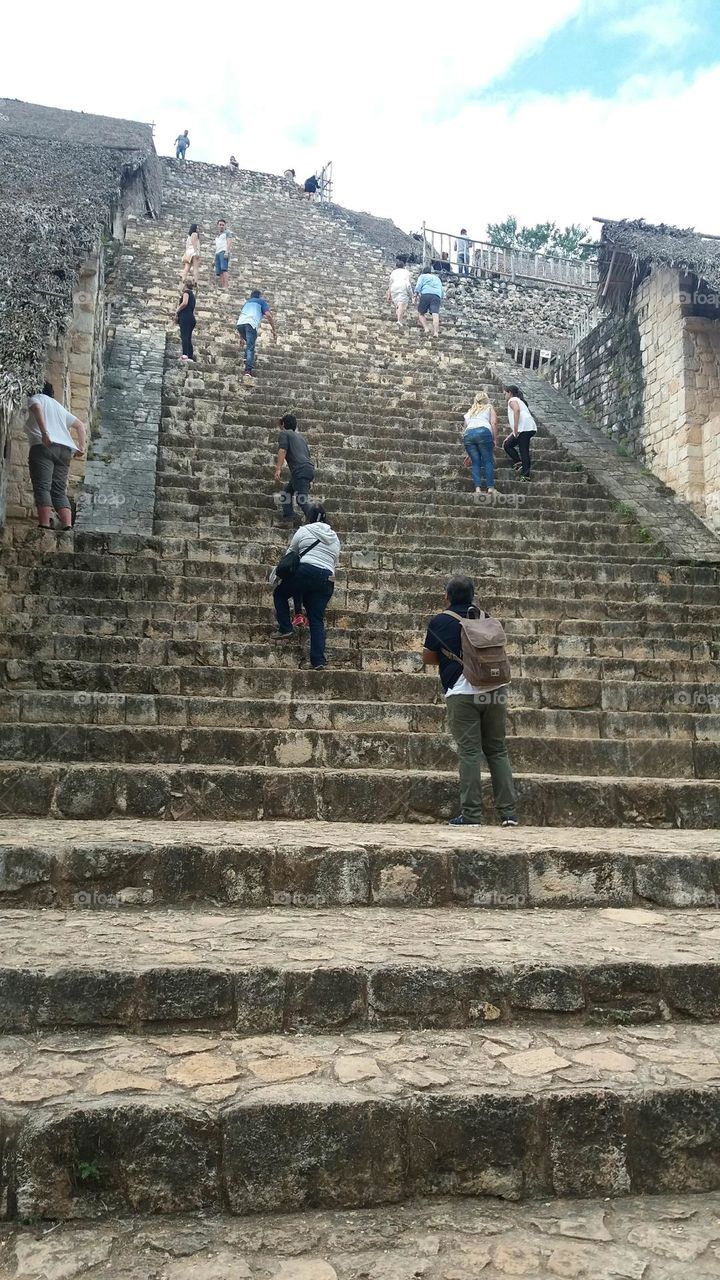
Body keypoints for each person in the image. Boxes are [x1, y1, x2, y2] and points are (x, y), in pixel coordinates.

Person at [422, 575, 517, 827]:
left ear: (447, 596)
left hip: (462, 692)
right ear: (473, 595)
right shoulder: (486, 618)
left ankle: (472, 815)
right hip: (495, 690)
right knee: (497, 750)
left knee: (470, 752)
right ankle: (508, 814)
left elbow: (428, 658)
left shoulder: (440, 621)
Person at [273, 505, 341, 670]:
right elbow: (334, 561)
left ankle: (286, 627)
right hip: (327, 578)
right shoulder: (335, 537)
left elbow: (291, 553)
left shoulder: (304, 531)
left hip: (306, 571)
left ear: (309, 517)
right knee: (316, 619)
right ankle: (318, 660)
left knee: (280, 593)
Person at [25, 383, 87, 531]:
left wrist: (45, 432)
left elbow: (37, 408)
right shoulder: (59, 407)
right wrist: (81, 447)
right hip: (64, 451)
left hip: (44, 446)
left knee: (43, 486)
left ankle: (44, 525)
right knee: (59, 490)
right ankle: (67, 526)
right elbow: (80, 426)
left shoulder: (36, 398)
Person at [274, 413, 315, 523]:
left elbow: (282, 450)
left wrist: (278, 469)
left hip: (299, 470)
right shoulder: (301, 438)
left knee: (302, 500)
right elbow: (307, 456)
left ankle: (317, 521)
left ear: (283, 424)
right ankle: (290, 516)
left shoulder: (285, 434)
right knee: (287, 493)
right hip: (307, 468)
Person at [236, 288, 277, 378]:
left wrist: (241, 338)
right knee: (251, 347)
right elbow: (268, 315)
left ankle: (246, 359)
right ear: (259, 295)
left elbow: (242, 317)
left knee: (249, 343)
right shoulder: (261, 302)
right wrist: (273, 329)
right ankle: (248, 370)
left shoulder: (247, 303)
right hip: (251, 324)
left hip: (240, 325)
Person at [463, 392, 497, 498]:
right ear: (486, 400)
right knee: (487, 460)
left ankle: (477, 489)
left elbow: (467, 428)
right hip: (483, 432)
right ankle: (490, 487)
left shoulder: (470, 412)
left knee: (475, 462)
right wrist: (495, 439)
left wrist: (469, 453)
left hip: (468, 435)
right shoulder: (489, 407)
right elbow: (494, 423)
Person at [503, 385, 538, 481]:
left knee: (524, 451)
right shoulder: (520, 401)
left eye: (505, 394)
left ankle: (526, 476)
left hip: (524, 429)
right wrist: (511, 434)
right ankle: (519, 463)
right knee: (507, 444)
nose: (504, 396)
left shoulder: (512, 400)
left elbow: (517, 410)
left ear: (509, 393)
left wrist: (515, 428)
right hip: (527, 427)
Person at [414, 266, 444, 337]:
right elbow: (441, 290)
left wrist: (415, 294)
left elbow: (418, 285)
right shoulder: (437, 278)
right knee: (435, 314)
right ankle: (436, 332)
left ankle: (426, 328)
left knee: (421, 313)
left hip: (426, 294)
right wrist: (440, 297)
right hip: (436, 296)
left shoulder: (422, 276)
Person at [386, 259, 413, 326]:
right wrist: (412, 295)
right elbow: (408, 282)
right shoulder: (406, 272)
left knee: (398, 304)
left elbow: (390, 284)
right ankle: (399, 320)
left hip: (394, 287)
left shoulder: (393, 272)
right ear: (403, 266)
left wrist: (388, 295)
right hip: (403, 286)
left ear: (396, 266)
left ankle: (399, 318)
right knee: (401, 303)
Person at [175, 282, 196, 362]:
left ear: (185, 285)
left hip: (185, 317)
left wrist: (177, 311)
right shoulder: (193, 296)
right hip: (191, 318)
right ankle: (190, 357)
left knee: (184, 336)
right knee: (188, 337)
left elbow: (185, 303)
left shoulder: (186, 293)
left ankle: (184, 356)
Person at [214, 219, 233, 288]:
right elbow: (217, 247)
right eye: (220, 225)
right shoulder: (217, 236)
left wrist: (226, 252)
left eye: (223, 225)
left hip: (223, 252)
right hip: (217, 253)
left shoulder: (227, 233)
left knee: (224, 269)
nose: (221, 226)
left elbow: (229, 242)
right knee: (219, 271)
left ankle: (226, 286)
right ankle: (222, 285)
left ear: (225, 226)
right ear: (217, 226)